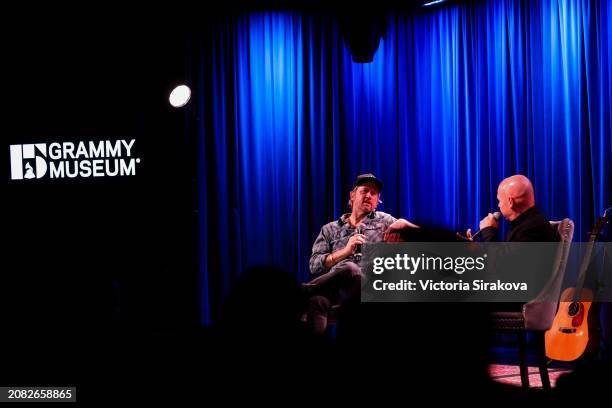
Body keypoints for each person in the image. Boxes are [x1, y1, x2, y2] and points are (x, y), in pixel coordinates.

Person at [304, 173, 414, 335]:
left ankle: (301, 291)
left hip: (368, 287)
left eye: (374, 193)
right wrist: (345, 251)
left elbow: (420, 235)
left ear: (378, 201)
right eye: (364, 191)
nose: (369, 195)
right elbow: (314, 265)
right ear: (352, 195)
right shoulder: (330, 229)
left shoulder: (384, 221)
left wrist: (405, 223)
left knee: (351, 268)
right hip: (336, 290)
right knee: (317, 301)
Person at [465, 174, 555, 243]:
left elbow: (502, 264)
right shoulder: (527, 223)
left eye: (499, 200)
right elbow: (504, 254)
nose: (499, 205)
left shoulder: (531, 229)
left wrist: (489, 231)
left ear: (510, 202)